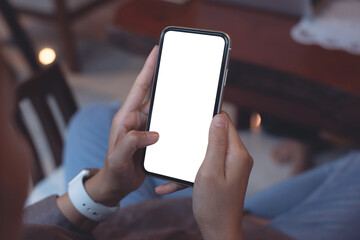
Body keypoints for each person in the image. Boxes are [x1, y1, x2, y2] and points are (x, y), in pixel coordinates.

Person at [0, 46, 292, 240]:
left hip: (142, 219)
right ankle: (261, 216)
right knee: (338, 174)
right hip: (208, 227)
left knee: (93, 119)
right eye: (8, 123)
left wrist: (104, 188)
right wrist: (222, 230)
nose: (25, 147)